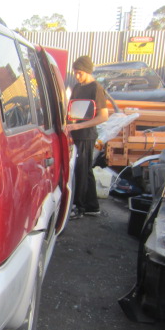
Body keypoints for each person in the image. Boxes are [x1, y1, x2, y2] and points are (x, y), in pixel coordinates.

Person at [66, 55, 109, 219]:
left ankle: (79, 207)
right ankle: (92, 206)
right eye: (75, 72)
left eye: (80, 73)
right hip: (75, 133)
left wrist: (78, 126)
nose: (77, 76)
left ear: (88, 71)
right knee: (85, 170)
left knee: (81, 171)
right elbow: (72, 111)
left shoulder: (96, 88)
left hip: (86, 136)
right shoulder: (77, 87)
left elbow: (103, 116)